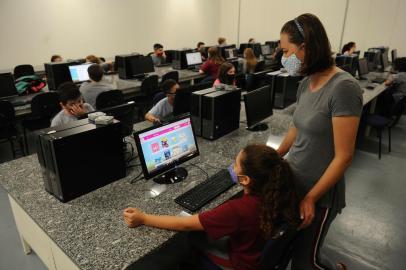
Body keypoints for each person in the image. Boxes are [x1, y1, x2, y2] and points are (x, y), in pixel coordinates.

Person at [123, 144, 299, 270]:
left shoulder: (237, 209)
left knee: (190, 236)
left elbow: (185, 224)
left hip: (241, 263)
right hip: (257, 251)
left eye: (236, 164)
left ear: (245, 179)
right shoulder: (281, 188)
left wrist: (143, 218)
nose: (232, 166)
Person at [277, 14, 363, 270]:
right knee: (295, 252)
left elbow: (344, 156)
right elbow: (296, 127)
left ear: (305, 46)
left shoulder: (344, 87)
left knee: (306, 262)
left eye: (286, 51)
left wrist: (312, 198)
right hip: (296, 182)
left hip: (320, 193)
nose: (284, 58)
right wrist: (275, 154)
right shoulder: (306, 83)